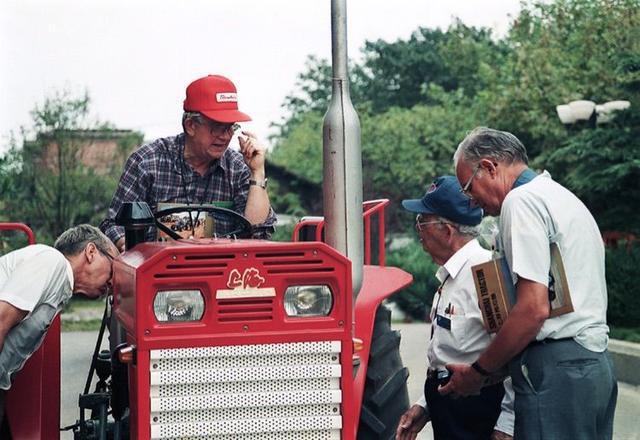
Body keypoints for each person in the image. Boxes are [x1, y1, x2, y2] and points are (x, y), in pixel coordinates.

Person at [444, 127, 617, 439]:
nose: (472, 203)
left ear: (489, 167)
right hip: (592, 365)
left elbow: (533, 309)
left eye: (468, 189)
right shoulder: (562, 197)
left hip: (555, 370)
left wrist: (478, 372)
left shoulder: (521, 201)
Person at [395, 176, 514, 440]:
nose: (418, 230)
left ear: (447, 231)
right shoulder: (452, 275)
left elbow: (515, 353)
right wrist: (424, 406)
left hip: (477, 411)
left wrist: (508, 423)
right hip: (451, 408)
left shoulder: (485, 274)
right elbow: (449, 353)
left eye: (422, 221)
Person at [100, 74, 277, 250]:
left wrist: (257, 172)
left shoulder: (239, 168)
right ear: (191, 125)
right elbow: (114, 225)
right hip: (159, 272)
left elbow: (258, 236)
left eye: (231, 127)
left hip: (222, 273)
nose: (225, 136)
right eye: (217, 128)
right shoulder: (147, 162)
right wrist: (131, 250)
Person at [0, 224, 118, 428]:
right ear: (91, 252)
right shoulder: (51, 262)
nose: (113, 281)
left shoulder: (59, 286)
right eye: (113, 266)